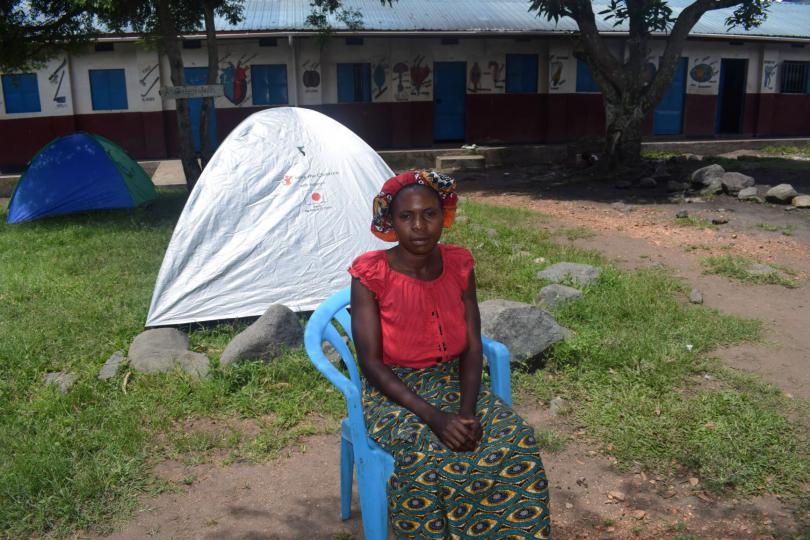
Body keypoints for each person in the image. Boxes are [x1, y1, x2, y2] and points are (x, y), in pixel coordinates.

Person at [349, 170, 551, 539]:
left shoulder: (459, 264)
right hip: (395, 392)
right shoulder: (371, 273)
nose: (419, 226)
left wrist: (466, 413)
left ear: (445, 216)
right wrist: (435, 418)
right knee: (425, 455)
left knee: (515, 438)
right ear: (390, 222)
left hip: (456, 382)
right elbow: (371, 364)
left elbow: (474, 345)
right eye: (406, 217)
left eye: (429, 214)